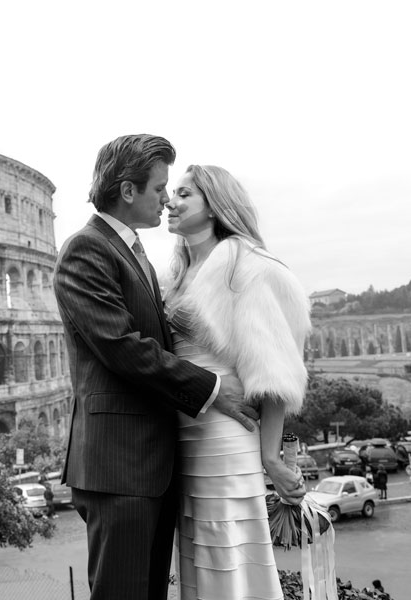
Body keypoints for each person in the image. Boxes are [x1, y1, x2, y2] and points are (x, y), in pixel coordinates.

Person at [53, 135, 261, 600]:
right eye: (159, 187)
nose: (166, 199)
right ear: (128, 191)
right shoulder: (86, 249)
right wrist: (210, 387)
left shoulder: (133, 253)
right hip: (119, 465)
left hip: (147, 465)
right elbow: (122, 346)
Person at [162, 164, 311, 600]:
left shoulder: (249, 267)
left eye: (184, 194)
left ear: (215, 207)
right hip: (184, 434)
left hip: (228, 436)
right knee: (197, 557)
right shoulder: (174, 275)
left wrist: (271, 457)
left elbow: (273, 373)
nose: (171, 201)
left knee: (226, 552)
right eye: (171, 193)